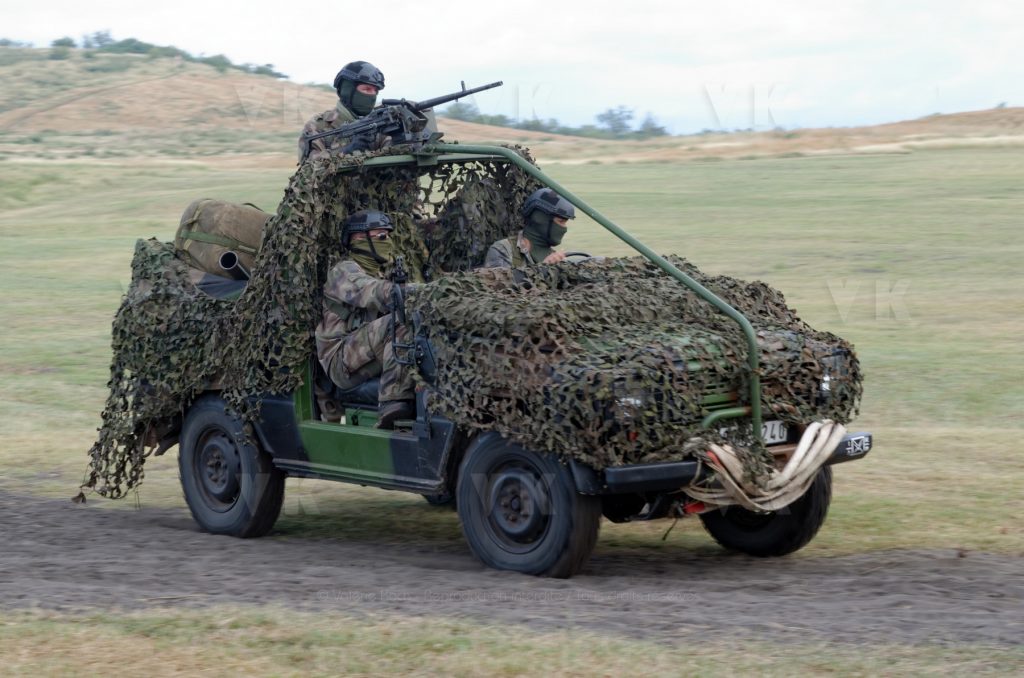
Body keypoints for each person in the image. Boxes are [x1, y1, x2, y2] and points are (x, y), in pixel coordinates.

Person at [316, 210, 422, 429]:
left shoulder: (383, 273)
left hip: (366, 354)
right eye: (382, 236)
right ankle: (393, 403)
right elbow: (370, 292)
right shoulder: (343, 272)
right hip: (341, 360)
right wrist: (412, 291)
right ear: (358, 238)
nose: (388, 241)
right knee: (399, 322)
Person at [298, 60, 386, 163]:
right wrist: (346, 151)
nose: (372, 95)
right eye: (367, 89)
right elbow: (308, 170)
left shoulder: (381, 124)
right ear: (347, 90)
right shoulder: (318, 126)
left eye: (376, 91)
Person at [483, 188, 576, 268]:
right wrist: (543, 271)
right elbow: (499, 287)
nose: (564, 228)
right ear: (540, 219)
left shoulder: (556, 259)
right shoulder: (503, 250)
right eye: (561, 221)